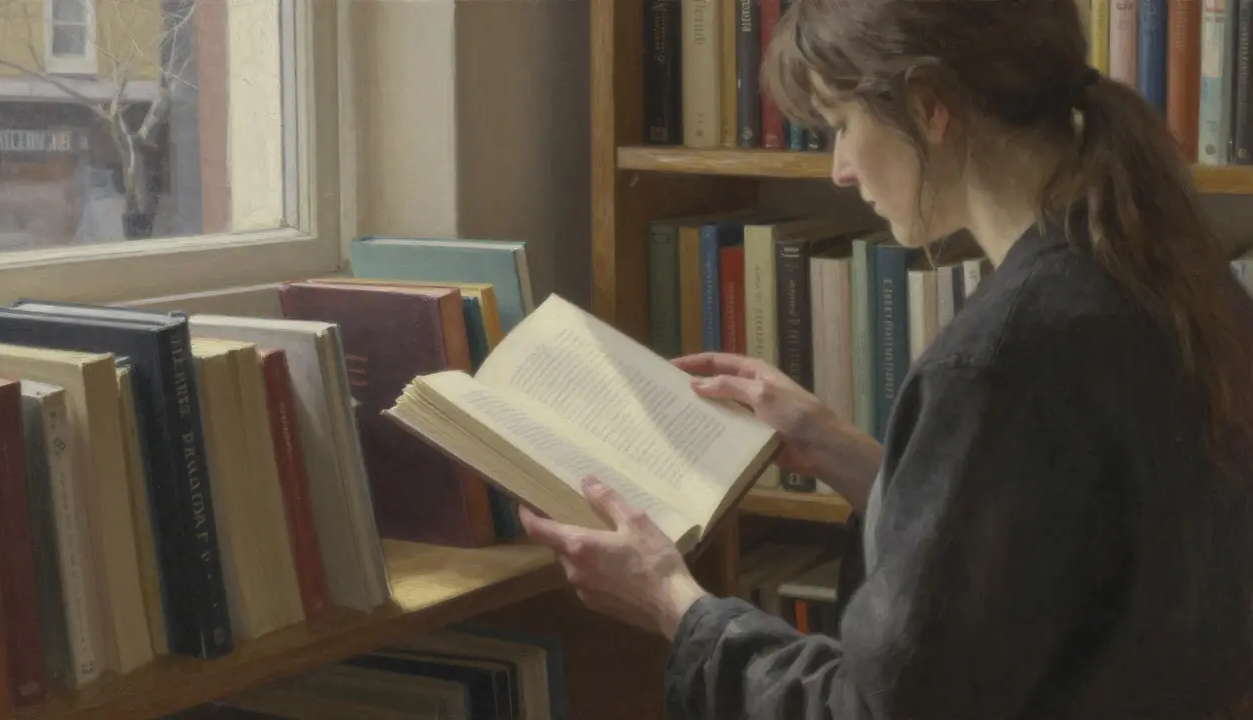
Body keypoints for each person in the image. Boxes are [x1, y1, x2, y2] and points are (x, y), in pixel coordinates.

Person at [520, 0, 1253, 717]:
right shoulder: (1172, 277)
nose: (839, 169)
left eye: (842, 126)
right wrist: (856, 459)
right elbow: (1062, 556)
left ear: (929, 104)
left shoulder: (1001, 360)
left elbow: (874, 708)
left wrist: (672, 603)